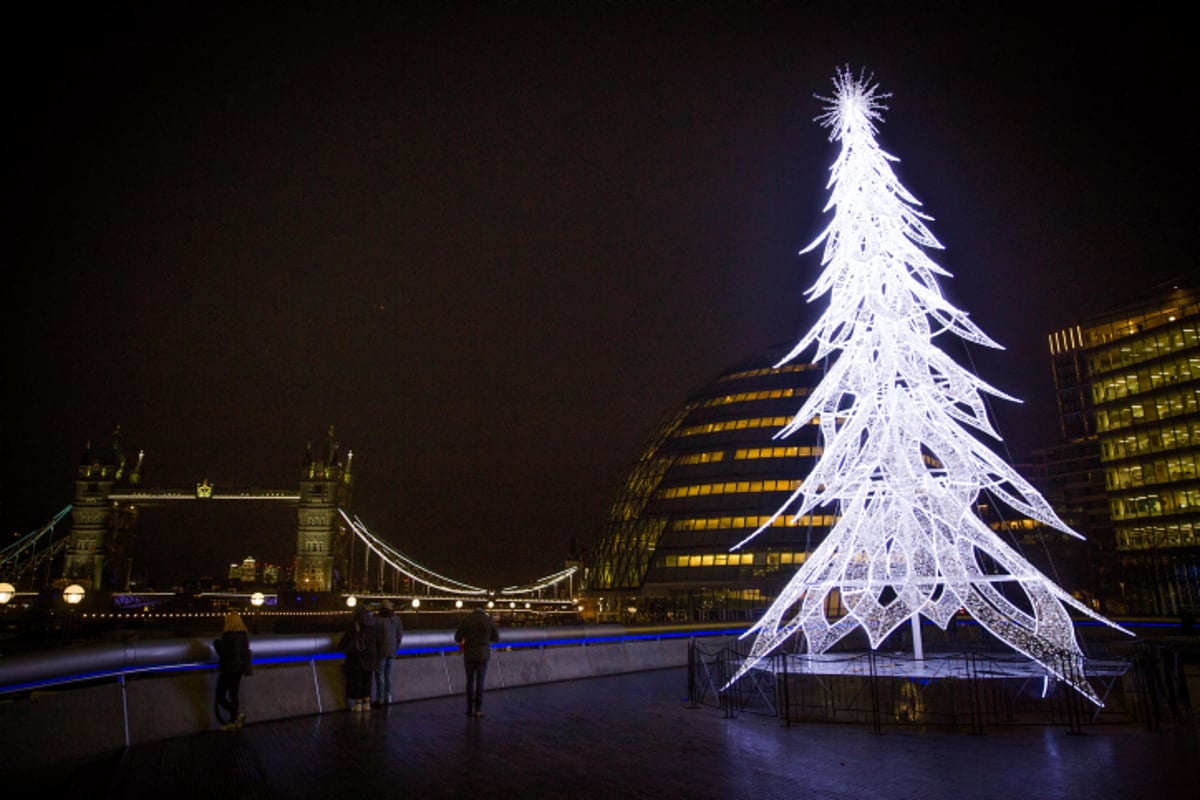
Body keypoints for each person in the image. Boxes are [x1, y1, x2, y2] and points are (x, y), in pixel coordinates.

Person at [454, 607, 499, 718]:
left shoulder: (466, 620)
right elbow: (496, 638)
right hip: (483, 655)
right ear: (483, 611)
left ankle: (469, 709)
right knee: (480, 681)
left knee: (469, 681)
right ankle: (478, 709)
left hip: (469, 654)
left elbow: (457, 638)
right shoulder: (488, 620)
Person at [212, 612, 252, 731]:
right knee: (234, 694)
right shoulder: (243, 636)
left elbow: (224, 653)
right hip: (238, 670)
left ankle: (237, 715)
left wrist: (217, 643)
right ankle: (233, 721)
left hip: (228, 669)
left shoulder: (229, 636)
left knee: (220, 696)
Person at [340, 605, 376, 712]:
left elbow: (345, 641)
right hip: (371, 657)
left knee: (357, 680)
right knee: (367, 680)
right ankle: (367, 704)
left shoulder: (354, 625)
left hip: (357, 657)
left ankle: (358, 704)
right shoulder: (374, 624)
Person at [372, 599, 404, 707]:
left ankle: (380, 699)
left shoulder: (377, 620)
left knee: (379, 674)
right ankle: (388, 697)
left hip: (380, 651)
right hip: (392, 650)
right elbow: (399, 635)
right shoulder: (397, 619)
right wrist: (396, 648)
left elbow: (374, 637)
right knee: (388, 675)